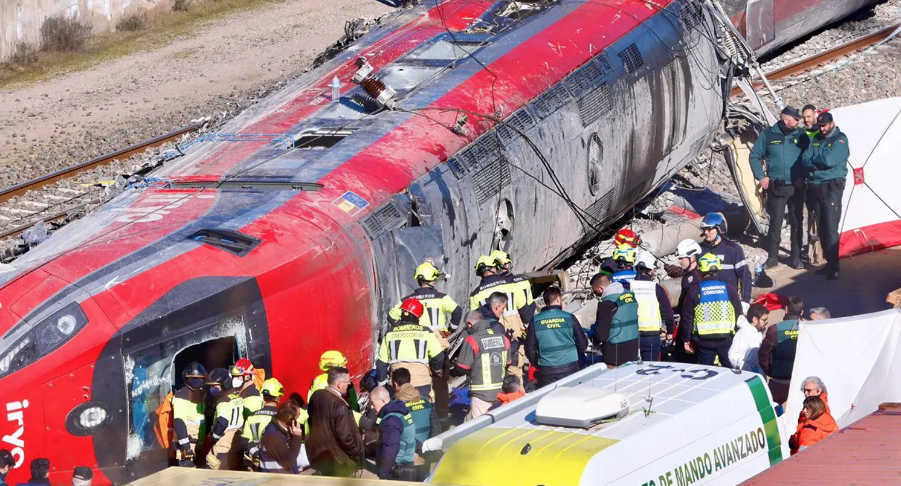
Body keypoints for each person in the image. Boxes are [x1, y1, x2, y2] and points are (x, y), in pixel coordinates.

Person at [750, 106, 808, 270]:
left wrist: (803, 176)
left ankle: (796, 258)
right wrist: (761, 177)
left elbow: (808, 157)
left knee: (797, 222)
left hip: (796, 187)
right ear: (785, 120)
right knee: (775, 223)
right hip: (777, 187)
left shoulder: (801, 134)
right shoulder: (768, 135)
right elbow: (754, 155)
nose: (798, 121)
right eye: (795, 119)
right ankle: (772, 257)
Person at [469, 255, 535, 377]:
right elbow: (525, 311)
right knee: (514, 370)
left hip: (491, 334)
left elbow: (473, 323)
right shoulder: (512, 284)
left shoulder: (475, 295)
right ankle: (517, 394)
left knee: (496, 370)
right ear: (494, 269)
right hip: (514, 333)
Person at [803, 112, 849, 280]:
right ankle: (829, 263)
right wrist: (818, 160)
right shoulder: (816, 139)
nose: (822, 129)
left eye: (824, 126)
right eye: (820, 126)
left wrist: (816, 160)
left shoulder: (840, 140)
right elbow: (805, 159)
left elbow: (830, 161)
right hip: (816, 188)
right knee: (821, 226)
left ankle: (834, 266)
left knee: (830, 227)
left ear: (832, 124)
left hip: (832, 189)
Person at [376, 297, 446, 399]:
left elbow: (381, 364)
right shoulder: (426, 332)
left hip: (397, 385)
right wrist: (437, 369)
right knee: (424, 409)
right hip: (421, 384)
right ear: (418, 316)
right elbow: (439, 357)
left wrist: (381, 387)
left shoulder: (390, 333)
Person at [680, 253, 742, 367]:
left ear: (702, 269)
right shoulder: (729, 289)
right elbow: (739, 313)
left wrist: (686, 339)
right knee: (730, 371)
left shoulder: (695, 291)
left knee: (706, 373)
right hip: (726, 339)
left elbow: (687, 317)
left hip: (703, 341)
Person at [451, 311, 511, 421]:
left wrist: (450, 371)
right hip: (501, 391)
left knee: (480, 426)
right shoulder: (503, 338)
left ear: (469, 323)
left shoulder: (472, 339)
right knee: (498, 421)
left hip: (481, 394)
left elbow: (462, 369)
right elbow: (507, 364)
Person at [306, 367, 364, 477]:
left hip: (320, 456)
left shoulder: (316, 396)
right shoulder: (340, 406)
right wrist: (356, 454)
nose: (349, 384)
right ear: (339, 384)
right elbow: (346, 437)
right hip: (338, 461)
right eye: (347, 382)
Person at [525, 286, 588, 387]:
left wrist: (539, 363)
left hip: (547, 370)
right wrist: (573, 356)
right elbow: (583, 344)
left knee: (551, 399)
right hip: (570, 367)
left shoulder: (535, 321)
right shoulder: (569, 317)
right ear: (559, 299)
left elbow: (529, 349)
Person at [388, 261, 462, 334]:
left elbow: (391, 316)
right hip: (438, 341)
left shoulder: (407, 300)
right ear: (432, 281)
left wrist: (403, 330)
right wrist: (451, 329)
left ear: (418, 281)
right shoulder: (442, 298)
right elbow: (457, 311)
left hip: (417, 342)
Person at [759, 296, 805, 405]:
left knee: (772, 411)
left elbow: (763, 355)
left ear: (786, 309)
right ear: (802, 312)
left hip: (778, 381)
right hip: (801, 382)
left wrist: (771, 372)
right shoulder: (808, 328)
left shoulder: (775, 329)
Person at [631, 251, 675, 361]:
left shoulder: (627, 287)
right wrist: (670, 331)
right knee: (649, 371)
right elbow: (667, 313)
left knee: (630, 371)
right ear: (650, 270)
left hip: (631, 337)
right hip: (652, 337)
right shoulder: (657, 289)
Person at [699, 212, 752, 302]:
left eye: (709, 229)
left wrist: (745, 300)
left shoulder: (733, 249)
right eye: (704, 229)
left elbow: (744, 275)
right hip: (706, 301)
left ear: (719, 229)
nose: (706, 232)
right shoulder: (700, 249)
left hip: (728, 300)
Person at [590, 273, 639, 368]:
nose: (596, 295)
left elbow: (601, 335)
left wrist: (592, 335)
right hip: (633, 347)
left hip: (615, 353)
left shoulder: (607, 303)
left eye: (595, 292)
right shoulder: (630, 295)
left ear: (600, 289)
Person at [370, 387, 416, 481]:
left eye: (372, 403)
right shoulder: (400, 413)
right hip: (406, 465)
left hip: (398, 470)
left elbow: (390, 449)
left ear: (383, 400)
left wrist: (383, 474)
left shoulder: (391, 420)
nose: (371, 406)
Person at [390, 367, 440, 449]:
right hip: (427, 448)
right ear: (409, 381)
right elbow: (436, 425)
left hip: (406, 452)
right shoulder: (425, 401)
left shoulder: (395, 406)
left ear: (395, 384)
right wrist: (430, 446)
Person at [206, 367, 244, 470]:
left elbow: (222, 422)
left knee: (216, 470)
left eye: (215, 386)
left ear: (225, 384)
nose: (212, 389)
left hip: (224, 442)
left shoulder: (223, 401)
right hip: (237, 439)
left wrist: (214, 438)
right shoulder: (236, 396)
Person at [244, 378, 286, 470]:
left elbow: (246, 440)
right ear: (278, 398)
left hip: (257, 463)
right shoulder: (283, 419)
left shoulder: (251, 417)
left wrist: (256, 454)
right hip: (279, 466)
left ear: (263, 397)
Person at [172, 362, 207, 467]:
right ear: (186, 379)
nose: (196, 381)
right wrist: (186, 447)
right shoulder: (181, 396)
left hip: (198, 444)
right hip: (186, 446)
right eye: (192, 379)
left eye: (199, 378)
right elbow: (179, 422)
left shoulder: (202, 394)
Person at [259, 400, 304, 474]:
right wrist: (297, 437)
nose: (297, 420)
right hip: (276, 480)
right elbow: (287, 461)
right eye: (297, 417)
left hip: (281, 477)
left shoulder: (282, 430)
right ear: (289, 417)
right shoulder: (273, 435)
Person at [728, 303, 768, 372]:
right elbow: (732, 356)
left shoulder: (758, 332)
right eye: (764, 320)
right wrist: (748, 368)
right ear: (755, 319)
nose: (766, 322)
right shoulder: (743, 334)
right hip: (748, 376)